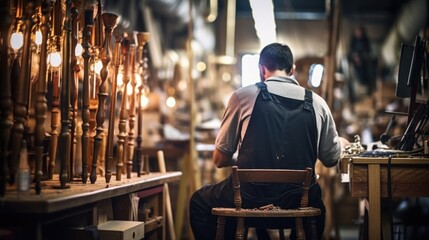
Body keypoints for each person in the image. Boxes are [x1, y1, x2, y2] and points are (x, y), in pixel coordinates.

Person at [189, 43, 347, 239]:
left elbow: (220, 159)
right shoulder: (318, 103)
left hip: (248, 200)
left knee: (199, 201)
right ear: (292, 70)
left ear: (261, 68)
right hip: (299, 202)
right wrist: (341, 142)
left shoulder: (242, 96)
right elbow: (331, 159)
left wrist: (250, 156)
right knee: (317, 208)